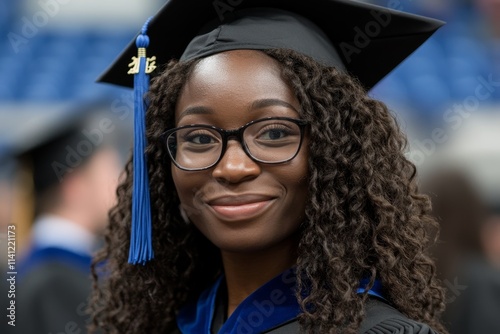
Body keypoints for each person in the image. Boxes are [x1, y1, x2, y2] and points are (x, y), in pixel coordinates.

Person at [90, 0, 448, 333]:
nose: (232, 167)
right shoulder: (159, 324)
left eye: (274, 132)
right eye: (198, 138)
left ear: (336, 151)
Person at [10, 102, 123, 334]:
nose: (120, 184)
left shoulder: (39, 268)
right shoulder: (54, 282)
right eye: (110, 172)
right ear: (75, 186)